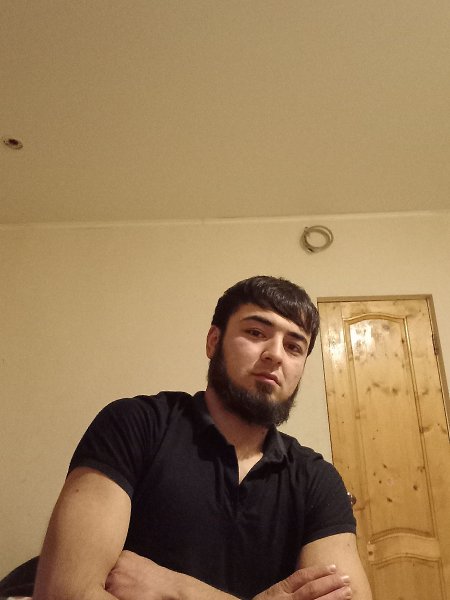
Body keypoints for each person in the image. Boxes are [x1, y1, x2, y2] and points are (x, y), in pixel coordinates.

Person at [33, 276, 372, 600]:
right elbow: (65, 593)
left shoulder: (318, 480)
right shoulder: (134, 425)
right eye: (256, 332)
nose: (276, 354)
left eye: (294, 347)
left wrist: (178, 589)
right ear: (213, 342)